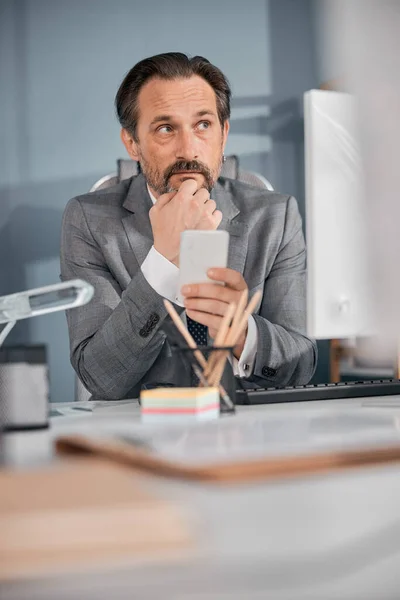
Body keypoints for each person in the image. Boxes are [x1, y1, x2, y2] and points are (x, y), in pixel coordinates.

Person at [60, 52, 317, 400]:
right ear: (132, 142)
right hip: (138, 435)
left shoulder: (276, 217)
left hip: (247, 433)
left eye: (203, 125)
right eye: (166, 128)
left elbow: (301, 367)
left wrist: (241, 332)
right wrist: (163, 263)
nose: (189, 149)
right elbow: (101, 378)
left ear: (223, 134)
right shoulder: (88, 220)